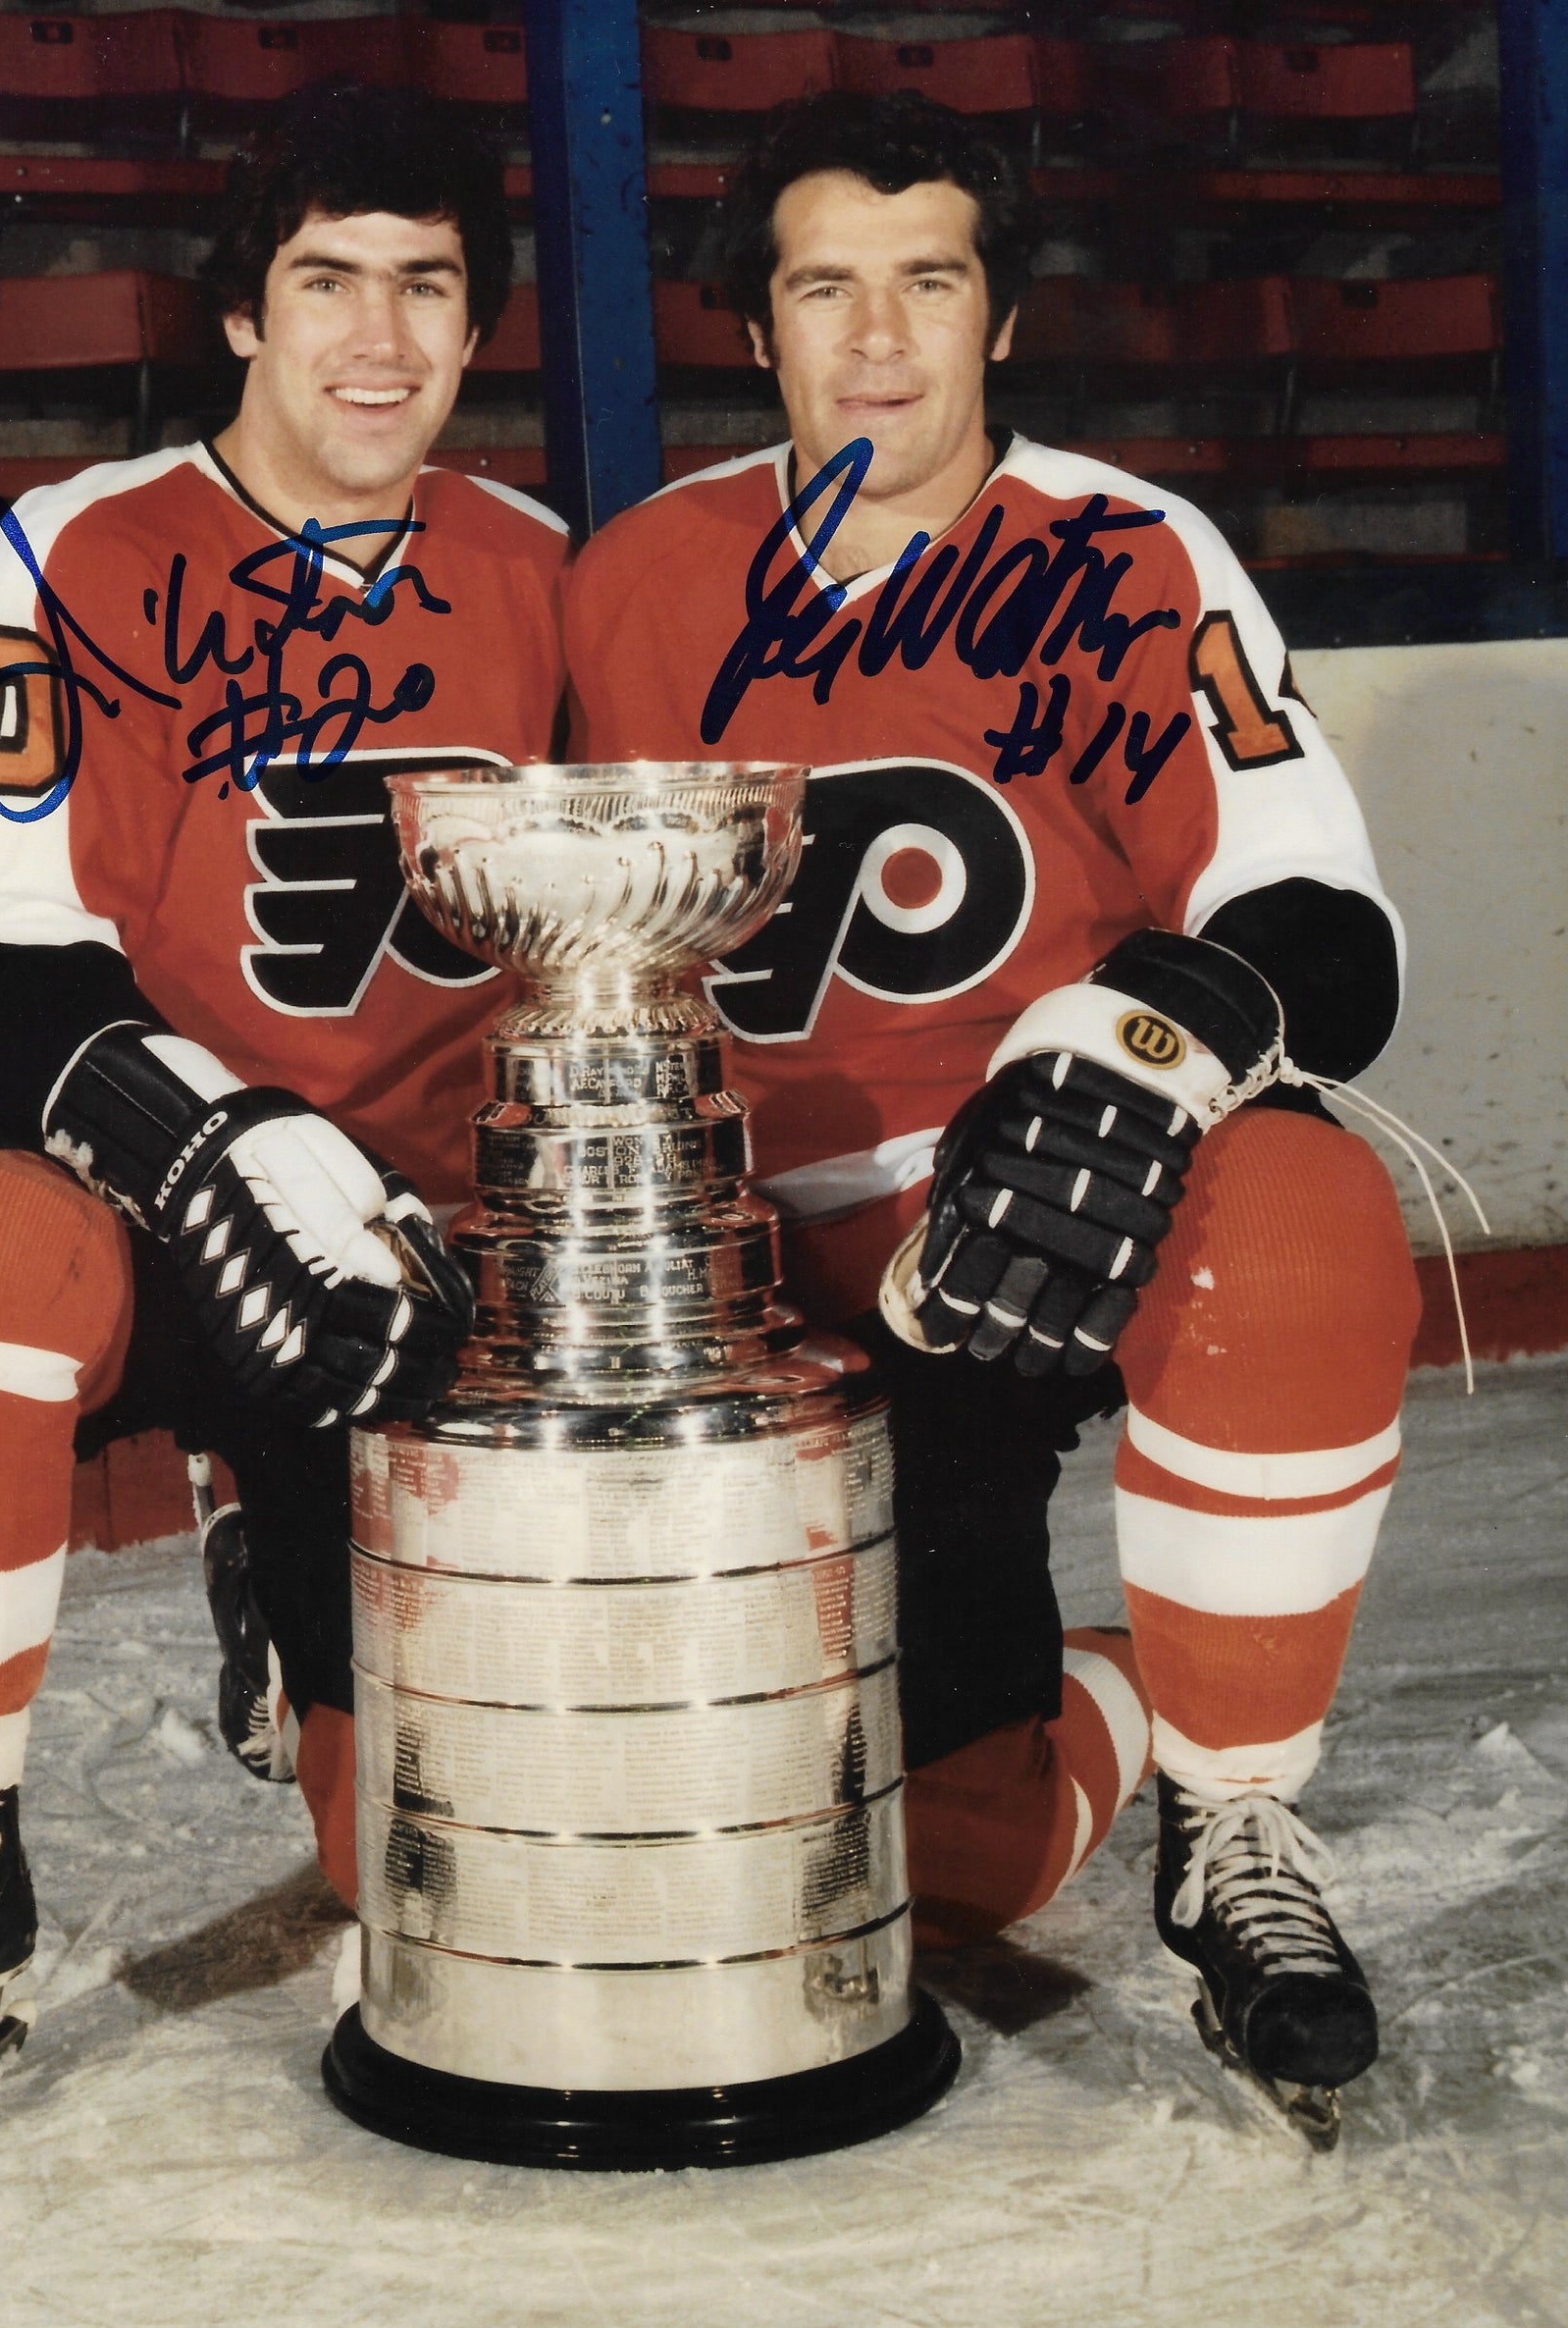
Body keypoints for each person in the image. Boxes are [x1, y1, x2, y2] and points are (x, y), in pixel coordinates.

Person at [562, 90, 1421, 2134]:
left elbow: (1327, 924)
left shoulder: (1127, 554)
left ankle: (1235, 1816)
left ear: (998, 320)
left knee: (1297, 1198)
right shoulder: (630, 580)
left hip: (1020, 1242)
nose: (878, 339)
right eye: (824, 288)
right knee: (939, 1870)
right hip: (734, 1286)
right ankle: (1119, 1675)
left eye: (926, 283)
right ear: (754, 327)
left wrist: (1146, 1034)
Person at [0, 82, 566, 2143]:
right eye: (326, 284)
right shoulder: (79, 545)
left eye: (427, 289)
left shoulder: (548, 573)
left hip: (388, 1251)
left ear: (479, 330)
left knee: (425, 1873)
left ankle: (287, 1568)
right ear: (241, 314)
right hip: (122, 1187)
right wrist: (223, 1139)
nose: (378, 338)